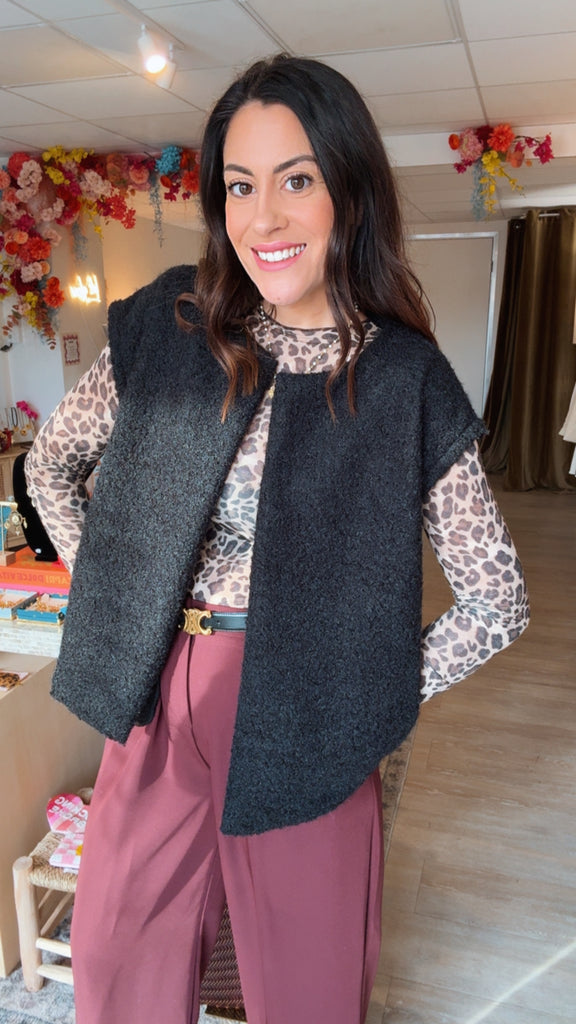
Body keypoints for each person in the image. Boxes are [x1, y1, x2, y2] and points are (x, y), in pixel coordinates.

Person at [25, 53, 530, 1024]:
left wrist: (369, 690)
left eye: (296, 180)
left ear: (349, 189)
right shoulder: (174, 323)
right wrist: (121, 599)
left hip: (308, 707)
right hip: (160, 685)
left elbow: (497, 600)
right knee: (116, 958)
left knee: (308, 983)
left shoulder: (402, 380)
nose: (264, 218)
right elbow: (50, 466)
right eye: (240, 185)